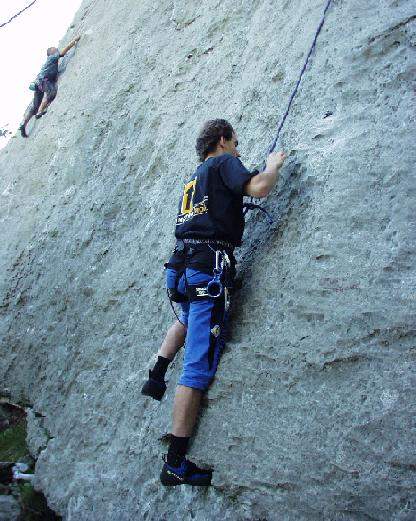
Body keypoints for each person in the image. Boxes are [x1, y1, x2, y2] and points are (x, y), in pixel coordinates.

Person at [142, 119, 286, 486]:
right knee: (197, 368)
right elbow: (259, 187)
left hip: (184, 265)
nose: (239, 150)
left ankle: (156, 374)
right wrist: (273, 164)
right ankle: (175, 463)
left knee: (189, 315)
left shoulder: (194, 179)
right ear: (222, 141)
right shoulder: (223, 163)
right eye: (236, 143)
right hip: (208, 268)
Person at [19, 36, 81, 138]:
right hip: (45, 81)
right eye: (54, 49)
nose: (56, 49)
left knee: (35, 105)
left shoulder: (48, 62)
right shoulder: (52, 57)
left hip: (38, 83)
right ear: (51, 53)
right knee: (51, 93)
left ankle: (24, 123)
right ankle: (40, 112)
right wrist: (74, 41)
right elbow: (62, 53)